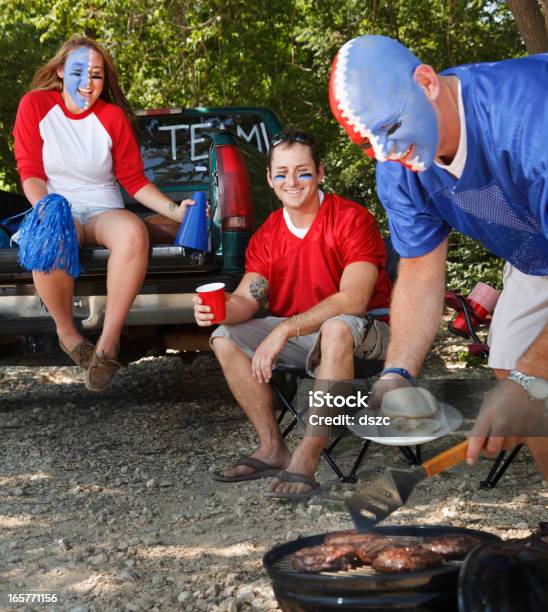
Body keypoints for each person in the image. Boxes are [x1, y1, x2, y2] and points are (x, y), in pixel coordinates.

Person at [329, 35, 548, 477]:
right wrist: (397, 374)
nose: (388, 153)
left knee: (531, 377)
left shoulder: (531, 123)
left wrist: (533, 375)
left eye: (391, 130)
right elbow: (419, 272)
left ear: (426, 81)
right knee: (513, 368)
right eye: (372, 145)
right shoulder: (399, 166)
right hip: (536, 256)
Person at [194, 129, 392, 500]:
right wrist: (216, 308)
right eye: (281, 173)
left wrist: (285, 328)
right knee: (224, 336)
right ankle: (272, 447)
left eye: (302, 172)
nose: (292, 181)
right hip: (303, 336)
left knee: (335, 328)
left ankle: (307, 454)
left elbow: (354, 299)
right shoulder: (267, 234)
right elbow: (247, 300)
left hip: (368, 334)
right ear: (269, 179)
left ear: (320, 173)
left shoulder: (351, 219)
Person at [13, 35, 198, 392]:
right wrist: (47, 208)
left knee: (133, 232)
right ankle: (68, 335)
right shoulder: (35, 106)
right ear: (61, 70)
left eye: (96, 75)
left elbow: (133, 180)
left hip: (102, 207)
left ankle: (108, 344)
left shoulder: (111, 117)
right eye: (79, 72)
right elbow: (30, 171)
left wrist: (176, 211)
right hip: (54, 206)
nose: (87, 83)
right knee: (50, 226)